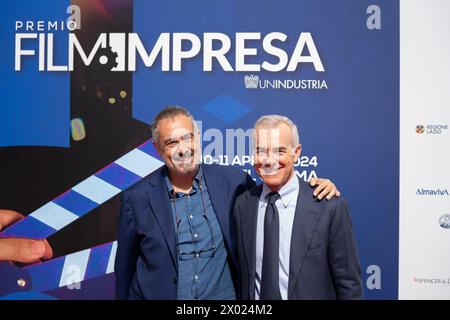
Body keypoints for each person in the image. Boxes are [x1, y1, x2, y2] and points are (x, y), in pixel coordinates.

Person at [115, 106, 340, 300]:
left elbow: (276, 194)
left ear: (198, 136)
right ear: (157, 148)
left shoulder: (234, 183)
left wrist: (314, 188)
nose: (183, 149)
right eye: (172, 142)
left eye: (187, 138)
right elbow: (125, 272)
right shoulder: (136, 199)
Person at [234, 115, 363, 300]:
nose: (269, 161)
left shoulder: (328, 206)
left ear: (296, 152)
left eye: (280, 151)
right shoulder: (243, 206)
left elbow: (349, 286)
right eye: (261, 151)